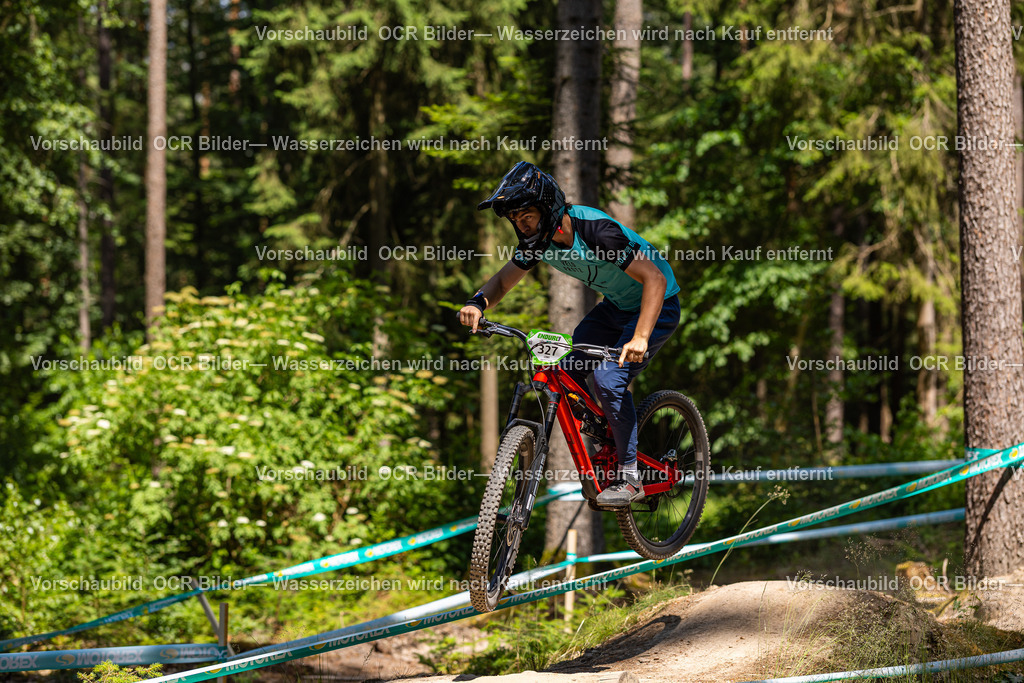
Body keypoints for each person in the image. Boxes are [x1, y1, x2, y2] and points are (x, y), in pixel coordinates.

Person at [459, 161, 681, 507]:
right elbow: (503, 280)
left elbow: (655, 279)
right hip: (617, 306)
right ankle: (607, 438)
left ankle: (629, 475)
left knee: (608, 380)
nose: (521, 225)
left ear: (547, 209)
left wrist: (639, 338)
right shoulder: (539, 241)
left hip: (657, 304)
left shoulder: (596, 232)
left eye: (526, 216)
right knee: (567, 369)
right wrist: (478, 303)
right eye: (515, 220)